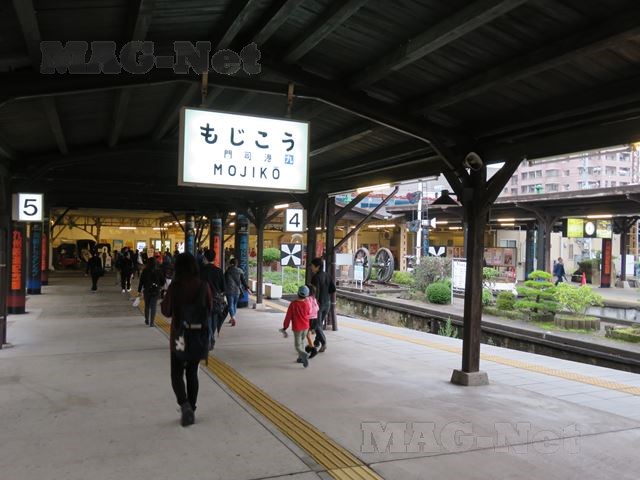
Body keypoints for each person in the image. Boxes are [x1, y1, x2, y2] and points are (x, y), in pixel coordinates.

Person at [161, 253, 212, 427]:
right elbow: (210, 308)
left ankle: (184, 405)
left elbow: (166, 311)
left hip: (179, 337)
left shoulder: (175, 287)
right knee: (192, 373)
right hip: (197, 337)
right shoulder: (203, 286)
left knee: (176, 373)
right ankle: (192, 407)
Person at [200, 249, 226, 347]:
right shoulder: (219, 271)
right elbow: (223, 287)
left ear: (205, 258)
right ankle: (211, 338)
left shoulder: (201, 271)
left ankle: (210, 339)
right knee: (214, 320)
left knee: (207, 320)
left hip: (204, 299)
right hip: (216, 300)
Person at [281, 285, 311, 368]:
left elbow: (288, 317)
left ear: (298, 293)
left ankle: (303, 354)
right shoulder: (307, 303)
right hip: (306, 326)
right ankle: (300, 358)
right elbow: (308, 313)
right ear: (307, 295)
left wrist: (285, 327)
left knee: (297, 346)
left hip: (297, 328)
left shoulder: (293, 304)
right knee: (302, 341)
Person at [310, 257, 334, 352]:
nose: (311, 268)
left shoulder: (315, 277)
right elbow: (333, 289)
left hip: (318, 304)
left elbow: (314, 292)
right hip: (327, 303)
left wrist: (313, 303)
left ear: (318, 267)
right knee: (319, 324)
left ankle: (323, 342)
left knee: (317, 325)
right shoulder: (328, 275)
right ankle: (316, 342)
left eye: (312, 266)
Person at [138, 257, 165, 327]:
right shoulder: (159, 271)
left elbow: (141, 281)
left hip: (147, 290)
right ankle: (152, 322)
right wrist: (160, 286)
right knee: (153, 306)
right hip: (156, 291)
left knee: (147, 306)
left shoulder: (145, 271)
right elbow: (163, 281)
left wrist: (139, 291)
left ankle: (147, 320)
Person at [224, 258, 251, 327]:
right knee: (234, 304)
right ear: (236, 264)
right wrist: (247, 288)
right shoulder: (240, 271)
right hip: (237, 291)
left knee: (230, 305)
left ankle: (233, 317)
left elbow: (224, 281)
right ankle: (232, 317)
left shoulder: (228, 271)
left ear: (231, 263)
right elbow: (243, 281)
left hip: (229, 290)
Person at [305, 284, 320, 359]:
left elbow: (308, 310)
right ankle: (309, 347)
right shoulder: (314, 298)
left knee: (307, 335)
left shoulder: (307, 299)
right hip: (315, 319)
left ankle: (313, 349)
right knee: (309, 334)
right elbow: (317, 308)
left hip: (309, 319)